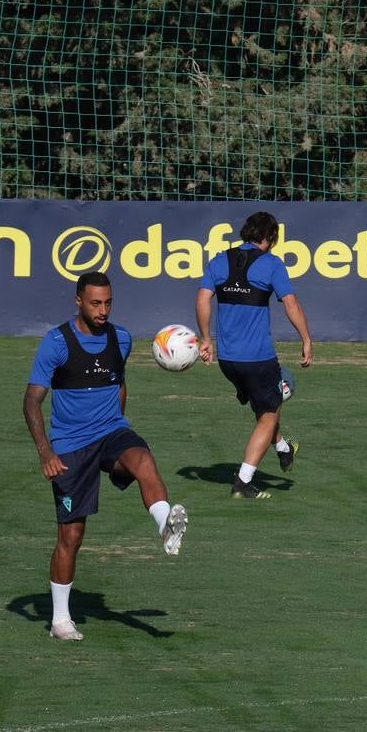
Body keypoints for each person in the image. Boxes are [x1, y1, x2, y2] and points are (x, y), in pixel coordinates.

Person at [23, 272, 188, 641]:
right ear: (78, 301)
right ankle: (60, 620)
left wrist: (119, 423)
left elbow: (119, 380)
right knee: (72, 536)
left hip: (111, 431)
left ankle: (165, 524)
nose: (103, 310)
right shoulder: (57, 343)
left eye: (108, 302)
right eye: (96, 303)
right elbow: (32, 400)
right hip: (69, 446)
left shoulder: (122, 338)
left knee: (143, 458)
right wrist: (46, 451)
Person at [196, 211, 313, 499]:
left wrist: (205, 338)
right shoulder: (272, 264)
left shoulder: (219, 260)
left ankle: (284, 447)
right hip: (258, 359)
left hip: (228, 361)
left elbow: (202, 299)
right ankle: (243, 482)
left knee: (267, 405)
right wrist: (307, 339)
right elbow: (291, 303)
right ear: (270, 238)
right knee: (270, 412)